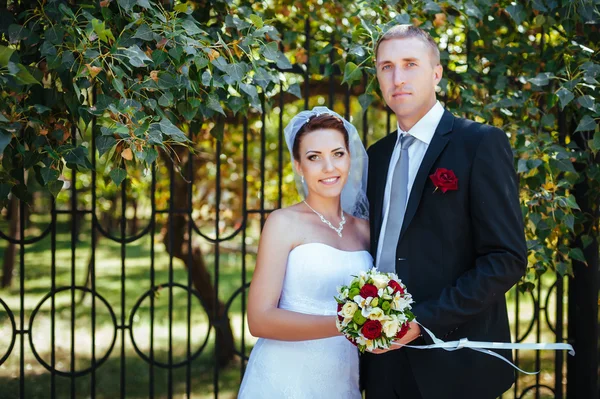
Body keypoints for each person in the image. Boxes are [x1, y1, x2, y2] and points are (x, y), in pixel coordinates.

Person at [361, 25, 527, 399]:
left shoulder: (479, 144)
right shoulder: (376, 155)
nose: (397, 78)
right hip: (383, 363)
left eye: (409, 64)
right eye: (386, 67)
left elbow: (506, 258)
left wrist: (423, 321)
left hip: (457, 363)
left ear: (436, 73)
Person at [238, 107, 372, 398]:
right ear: (299, 166)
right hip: (284, 379)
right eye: (314, 157)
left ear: (350, 158)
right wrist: (347, 323)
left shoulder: (365, 230)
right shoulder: (282, 223)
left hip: (341, 378)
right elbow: (258, 319)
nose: (329, 167)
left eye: (338, 154)